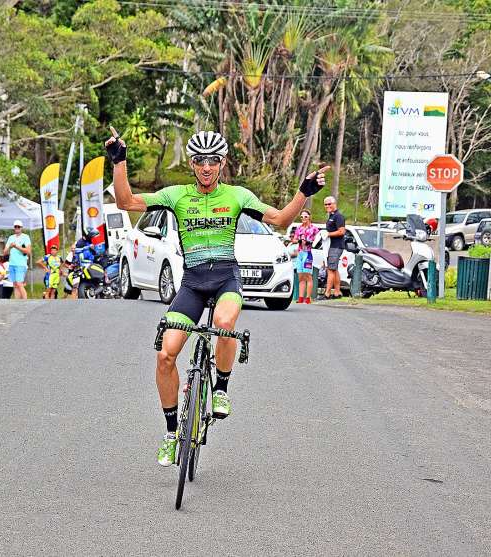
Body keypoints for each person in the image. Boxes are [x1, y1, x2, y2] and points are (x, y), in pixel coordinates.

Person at [105, 128, 328, 466]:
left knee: (224, 324)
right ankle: (171, 434)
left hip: (226, 278)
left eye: (213, 160)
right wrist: (119, 162)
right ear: (192, 164)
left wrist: (304, 192)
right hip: (192, 283)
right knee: (165, 355)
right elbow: (126, 202)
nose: (206, 167)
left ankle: (221, 388)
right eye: (199, 161)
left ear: (222, 162)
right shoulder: (176, 195)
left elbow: (281, 219)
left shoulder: (237, 196)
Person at [292, 210, 320, 304]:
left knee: (308, 275)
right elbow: (294, 239)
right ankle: (300, 298)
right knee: (300, 276)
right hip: (300, 253)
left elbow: (319, 240)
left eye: (305, 216)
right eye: (302, 217)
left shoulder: (314, 228)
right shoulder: (299, 228)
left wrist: (310, 242)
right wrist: (299, 240)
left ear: (309, 217)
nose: (303, 218)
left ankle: (308, 298)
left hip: (308, 252)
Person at [323, 196, 346, 299]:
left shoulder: (338, 216)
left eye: (329, 204)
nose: (327, 206)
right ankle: (337, 292)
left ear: (334, 204)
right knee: (334, 269)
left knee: (330, 269)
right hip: (331, 246)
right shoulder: (331, 216)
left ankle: (327, 294)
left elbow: (342, 231)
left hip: (336, 246)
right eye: (325, 204)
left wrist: (328, 234)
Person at [3, 219, 31, 299]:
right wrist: (10, 247)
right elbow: (4, 252)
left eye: (19, 227)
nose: (17, 228)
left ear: (21, 228)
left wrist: (16, 246)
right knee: (15, 284)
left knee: (19, 284)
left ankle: (26, 301)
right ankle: (17, 302)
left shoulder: (25, 237)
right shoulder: (11, 237)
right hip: (12, 263)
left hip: (21, 264)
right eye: (15, 227)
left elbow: (28, 251)